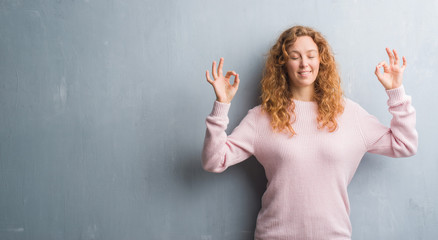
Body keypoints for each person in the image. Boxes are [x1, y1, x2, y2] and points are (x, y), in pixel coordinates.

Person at [202, 25, 418, 240]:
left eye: (311, 55)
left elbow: (405, 144)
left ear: (320, 60)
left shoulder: (350, 114)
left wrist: (395, 92)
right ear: (282, 64)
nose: (304, 63)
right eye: (295, 57)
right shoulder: (261, 117)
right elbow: (214, 161)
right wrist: (222, 104)